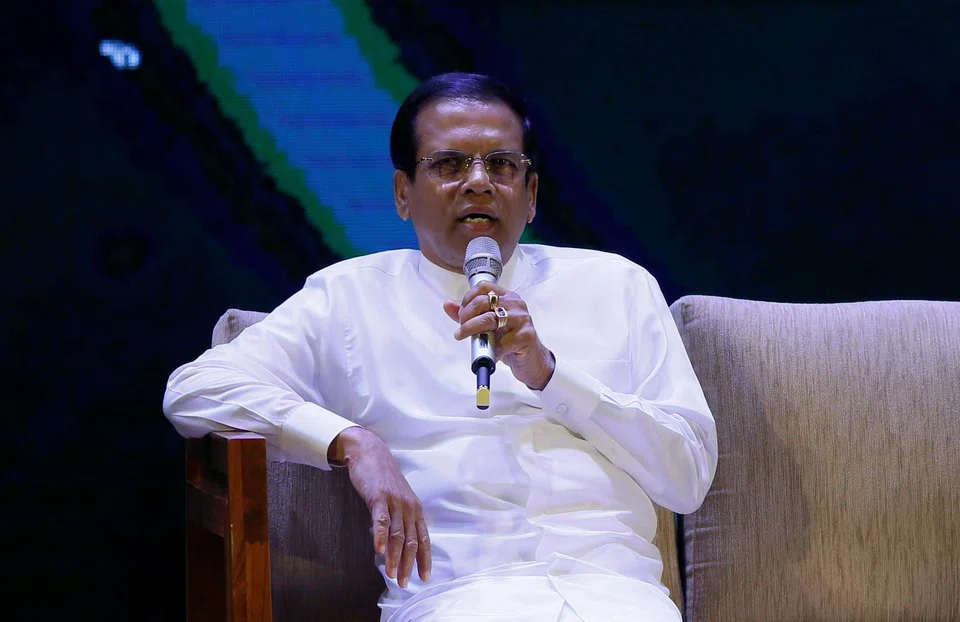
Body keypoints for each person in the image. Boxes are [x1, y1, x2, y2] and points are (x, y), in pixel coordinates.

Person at [163, 72, 718, 622]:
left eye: (501, 165)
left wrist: (549, 374)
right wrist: (352, 443)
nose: (478, 183)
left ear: (530, 195)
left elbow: (688, 476)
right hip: (460, 601)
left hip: (617, 599)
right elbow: (194, 390)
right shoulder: (349, 298)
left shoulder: (617, 285)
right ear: (403, 194)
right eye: (449, 165)